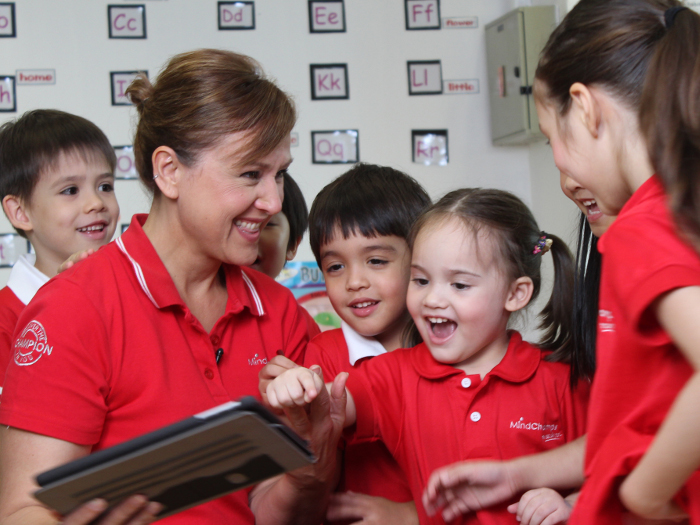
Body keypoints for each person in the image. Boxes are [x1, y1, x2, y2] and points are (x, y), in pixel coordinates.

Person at [0, 49, 344, 525]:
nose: (272, 200)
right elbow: (21, 510)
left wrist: (310, 463)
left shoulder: (280, 311)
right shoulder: (74, 308)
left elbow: (278, 511)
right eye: (250, 173)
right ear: (169, 171)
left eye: (279, 173)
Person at [265, 188, 589, 525]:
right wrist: (299, 386)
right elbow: (331, 403)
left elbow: (612, 468)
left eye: (459, 285)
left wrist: (569, 505)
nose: (432, 299)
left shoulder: (563, 379)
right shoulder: (395, 376)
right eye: (421, 280)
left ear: (515, 293)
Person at [535, 0, 700, 522]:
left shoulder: (640, 229)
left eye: (551, 138)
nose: (559, 164)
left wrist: (642, 494)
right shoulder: (683, 213)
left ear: (584, 107)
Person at [301, 163, 430, 524]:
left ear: (421, 258)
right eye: (335, 267)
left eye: (376, 260)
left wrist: (410, 516)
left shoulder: (454, 348)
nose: (355, 282)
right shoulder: (323, 356)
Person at [0, 109, 119, 391]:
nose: (96, 203)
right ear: (20, 212)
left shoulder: (129, 296)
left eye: (105, 186)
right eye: (70, 191)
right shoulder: (6, 323)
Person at [250, 172, 309, 280]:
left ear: (292, 246)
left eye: (268, 224)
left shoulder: (285, 297)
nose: (249, 232)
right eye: (236, 223)